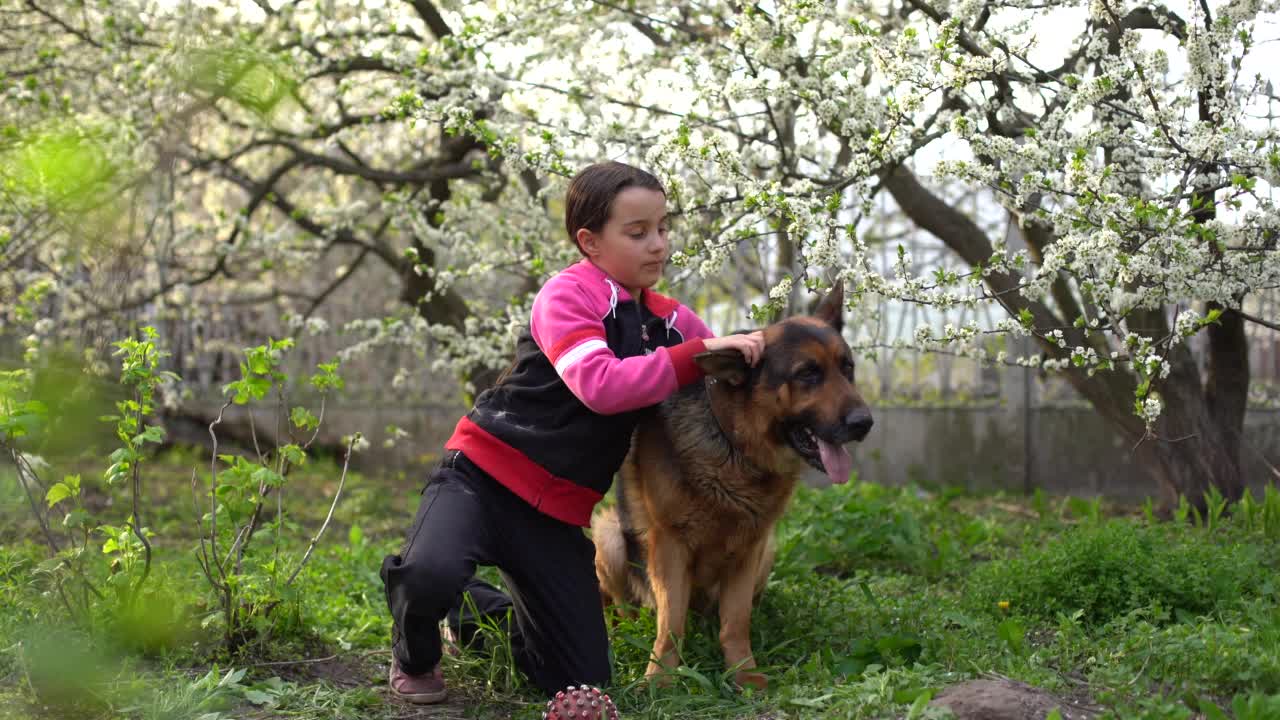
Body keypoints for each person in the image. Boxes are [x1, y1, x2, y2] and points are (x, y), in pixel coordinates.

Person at [380, 161, 765, 703]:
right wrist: (696, 355)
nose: (658, 245)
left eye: (663, 228)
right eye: (637, 233)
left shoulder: (673, 322)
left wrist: (771, 345)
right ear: (589, 241)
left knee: (576, 676)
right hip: (480, 479)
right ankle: (415, 650)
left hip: (554, 515)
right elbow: (601, 385)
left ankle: (465, 613)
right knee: (429, 573)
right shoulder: (567, 295)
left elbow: (724, 363)